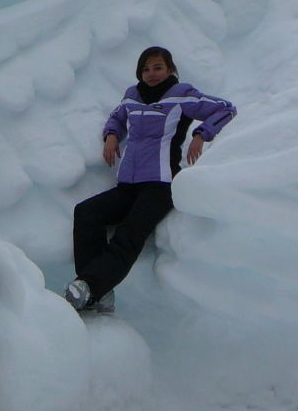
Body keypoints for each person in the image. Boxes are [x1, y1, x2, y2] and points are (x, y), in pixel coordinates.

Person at [64, 46, 237, 314]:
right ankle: (98, 292)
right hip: (128, 185)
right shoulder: (132, 96)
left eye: (157, 67)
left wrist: (201, 134)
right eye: (146, 69)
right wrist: (112, 134)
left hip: (160, 185)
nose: (151, 74)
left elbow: (224, 108)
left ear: (170, 70)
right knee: (86, 212)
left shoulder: (181, 95)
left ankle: (88, 285)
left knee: (130, 234)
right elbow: (117, 117)